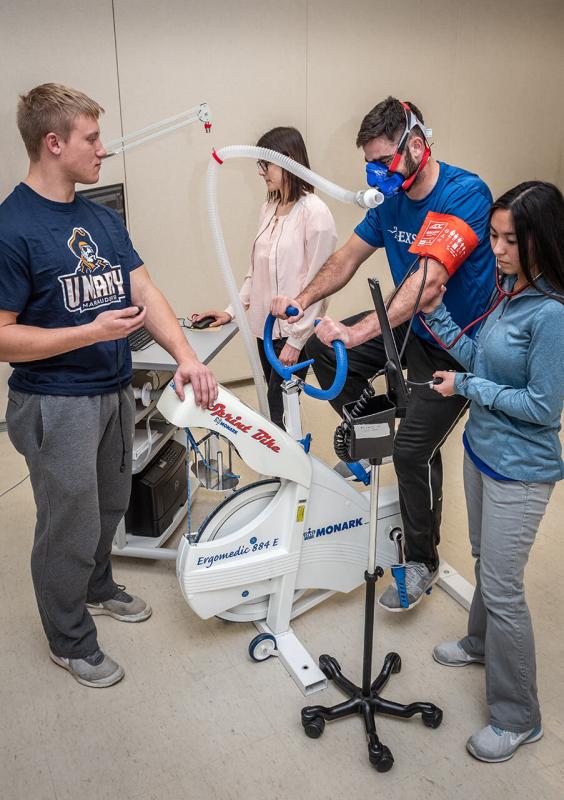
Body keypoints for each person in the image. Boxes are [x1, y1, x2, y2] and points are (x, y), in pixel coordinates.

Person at [0, 83, 218, 688]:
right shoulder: (11, 227)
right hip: (54, 402)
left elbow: (143, 291)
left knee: (111, 503)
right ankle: (68, 638)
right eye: (91, 138)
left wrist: (183, 356)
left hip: (112, 390)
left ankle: (96, 585)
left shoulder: (99, 218)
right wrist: (87, 332)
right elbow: (2, 338)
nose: (104, 149)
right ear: (53, 143)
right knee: (67, 522)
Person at [271, 96, 496, 610]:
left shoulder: (464, 193)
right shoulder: (390, 200)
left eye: (384, 163)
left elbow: (427, 283)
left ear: (416, 146)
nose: (377, 175)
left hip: (456, 346)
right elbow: (346, 257)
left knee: (416, 450)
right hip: (409, 328)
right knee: (325, 356)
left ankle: (423, 560)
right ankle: (378, 434)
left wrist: (359, 332)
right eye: (369, 166)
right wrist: (301, 302)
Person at [423, 181, 564, 763]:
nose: (498, 250)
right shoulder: (509, 293)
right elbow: (480, 359)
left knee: (504, 588)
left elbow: (542, 406)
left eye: (511, 240)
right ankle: (480, 642)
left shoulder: (551, 314)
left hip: (520, 471)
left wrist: (469, 386)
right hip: (482, 454)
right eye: (496, 237)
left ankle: (518, 716)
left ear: (541, 240)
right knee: (486, 561)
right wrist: (438, 321)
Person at [193, 126, 337, 429]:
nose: (261, 173)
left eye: (265, 164)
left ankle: (290, 469)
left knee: (279, 408)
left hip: (292, 332)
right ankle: (284, 467)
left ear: (287, 160)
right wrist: (231, 310)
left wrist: (297, 340)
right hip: (265, 330)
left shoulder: (315, 213)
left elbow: (320, 284)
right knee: (274, 410)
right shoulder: (269, 207)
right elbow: (255, 272)